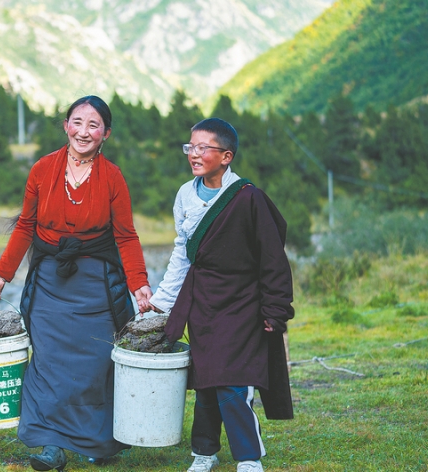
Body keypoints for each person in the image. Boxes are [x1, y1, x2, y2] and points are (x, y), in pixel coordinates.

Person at [0, 95, 153, 471]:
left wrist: (138, 282)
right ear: (65, 126)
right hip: (49, 282)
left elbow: (125, 235)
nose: (84, 131)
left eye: (94, 125)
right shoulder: (43, 170)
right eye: (77, 122)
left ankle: (97, 443)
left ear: (105, 133)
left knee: (94, 364)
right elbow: (26, 225)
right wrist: (2, 274)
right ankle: (49, 446)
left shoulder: (113, 177)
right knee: (47, 361)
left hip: (95, 283)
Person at [146, 118, 294, 472]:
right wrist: (162, 301)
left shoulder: (249, 197)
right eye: (190, 147)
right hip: (203, 303)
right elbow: (183, 252)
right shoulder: (185, 194)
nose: (193, 154)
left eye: (203, 148)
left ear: (226, 156)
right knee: (206, 381)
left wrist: (275, 310)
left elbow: (273, 258)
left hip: (242, 301)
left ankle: (248, 457)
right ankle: (204, 453)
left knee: (233, 381)